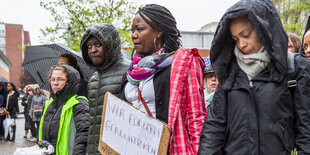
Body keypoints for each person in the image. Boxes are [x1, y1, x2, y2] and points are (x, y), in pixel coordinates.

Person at [198, 0, 310, 154]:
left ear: (265, 28)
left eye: (246, 35)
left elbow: (307, 130)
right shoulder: (230, 71)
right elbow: (215, 126)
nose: (241, 44)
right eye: (236, 39)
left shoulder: (295, 68)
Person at [120, 4, 207, 154]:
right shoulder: (132, 69)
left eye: (140, 29)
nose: (134, 35)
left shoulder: (184, 62)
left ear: (159, 31)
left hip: (168, 148)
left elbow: (196, 117)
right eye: (132, 30)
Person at [80, 23, 130, 155]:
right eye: (89, 46)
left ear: (110, 45)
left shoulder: (130, 72)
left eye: (98, 44)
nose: (92, 50)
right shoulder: (94, 79)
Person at [38, 65, 89, 155]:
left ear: (69, 82)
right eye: (53, 79)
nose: (55, 83)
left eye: (60, 79)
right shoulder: (48, 104)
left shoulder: (79, 104)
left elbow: (83, 137)